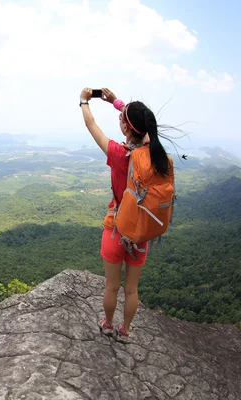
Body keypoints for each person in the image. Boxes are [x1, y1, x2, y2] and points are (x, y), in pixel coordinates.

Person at [79, 87, 173, 342]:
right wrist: (118, 104)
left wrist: (84, 101)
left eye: (122, 120)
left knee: (112, 286)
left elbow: (91, 125)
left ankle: (107, 325)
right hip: (139, 232)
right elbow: (144, 125)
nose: (120, 120)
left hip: (116, 228)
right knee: (131, 289)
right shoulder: (152, 153)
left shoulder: (119, 154)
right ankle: (126, 331)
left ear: (126, 128)